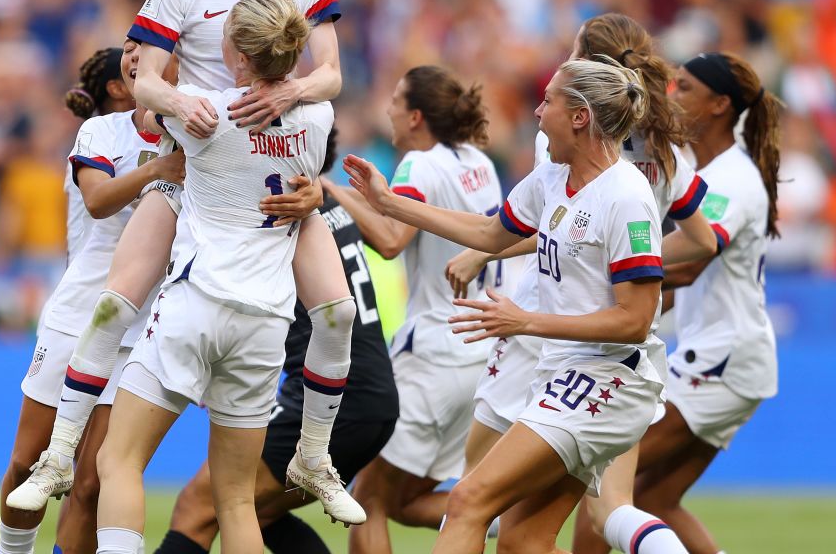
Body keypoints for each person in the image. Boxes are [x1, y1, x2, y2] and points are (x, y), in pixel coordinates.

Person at [9, 0, 362, 524]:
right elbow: (143, 81)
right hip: (194, 167)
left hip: (277, 175)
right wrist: (178, 101)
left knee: (338, 315)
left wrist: (288, 90)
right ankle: (59, 454)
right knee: (114, 305)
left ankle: (314, 454)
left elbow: (332, 76)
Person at [344, 57, 667, 554]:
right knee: (522, 541)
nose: (538, 111)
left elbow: (635, 320)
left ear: (579, 116)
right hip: (562, 375)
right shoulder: (552, 180)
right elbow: (488, 232)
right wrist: (388, 204)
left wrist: (526, 321)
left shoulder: (626, 198)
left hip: (608, 381)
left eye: (550, 100)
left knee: (468, 499)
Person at [446, 14, 716, 554]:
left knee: (473, 492)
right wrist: (636, 266)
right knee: (556, 525)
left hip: (568, 336)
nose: (539, 109)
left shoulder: (585, 160)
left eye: (569, 55)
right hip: (591, 347)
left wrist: (630, 270)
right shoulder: (662, 151)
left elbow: (573, 235)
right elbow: (703, 242)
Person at [93, 0, 338, 554]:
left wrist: (155, 67)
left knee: (119, 459)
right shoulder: (319, 116)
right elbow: (321, 89)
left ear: (237, 55)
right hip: (267, 322)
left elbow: (148, 104)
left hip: (197, 302)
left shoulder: (203, 109)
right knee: (234, 499)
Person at [151, 127, 399, 554]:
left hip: (330, 396)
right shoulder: (328, 197)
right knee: (259, 514)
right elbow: (390, 243)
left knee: (200, 507)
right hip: (371, 394)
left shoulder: (274, 202)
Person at [0, 42, 183, 554]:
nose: (136, 54)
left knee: (94, 480)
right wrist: (155, 171)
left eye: (149, 48)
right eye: (131, 48)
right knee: (27, 459)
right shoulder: (102, 130)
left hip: (138, 328)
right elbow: (98, 201)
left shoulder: (201, 140)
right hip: (79, 314)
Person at [322, 65, 503, 554]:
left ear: (417, 116)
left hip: (433, 354)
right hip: (480, 354)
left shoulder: (419, 165)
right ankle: (502, 520)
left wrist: (333, 193)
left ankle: (510, 515)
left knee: (367, 499)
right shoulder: (478, 162)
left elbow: (390, 239)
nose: (388, 109)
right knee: (406, 502)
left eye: (397, 100)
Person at [629, 52, 783, 554]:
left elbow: (694, 260)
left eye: (684, 88)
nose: (672, 95)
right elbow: (677, 285)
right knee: (652, 499)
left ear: (719, 105)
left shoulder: (732, 178)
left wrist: (616, 267)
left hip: (724, 358)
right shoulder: (704, 169)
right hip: (726, 356)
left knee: (610, 476)